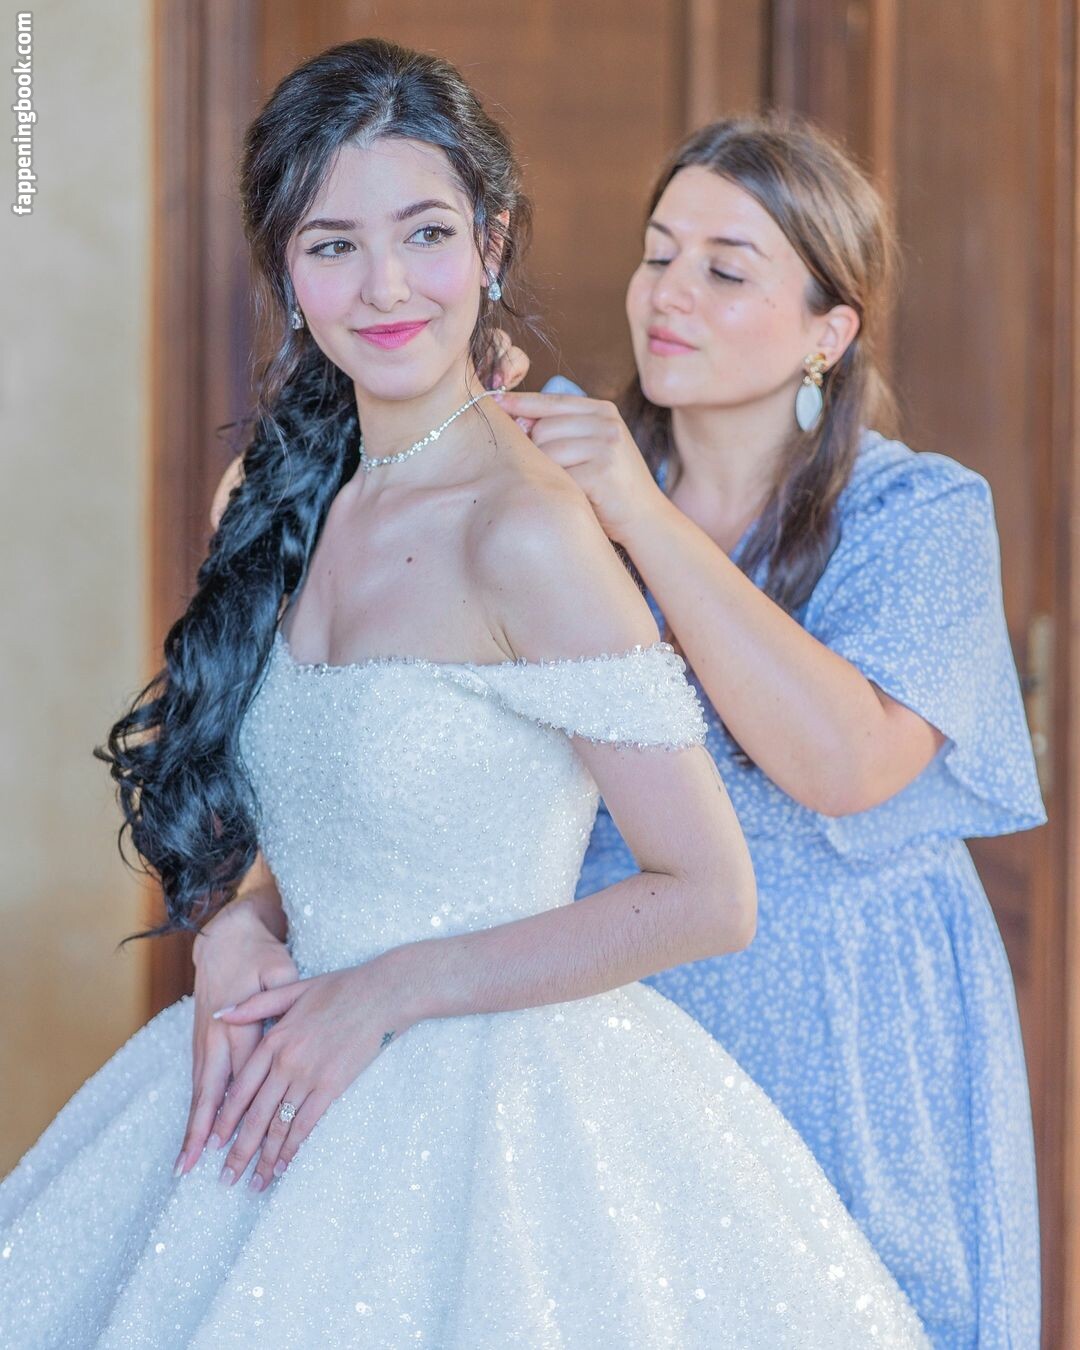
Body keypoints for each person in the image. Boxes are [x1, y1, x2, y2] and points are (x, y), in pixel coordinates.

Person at [0, 43, 928, 1347]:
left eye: (426, 233)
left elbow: (709, 893)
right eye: (333, 245)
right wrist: (236, 924)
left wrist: (387, 991)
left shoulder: (529, 532)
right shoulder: (261, 500)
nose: (386, 286)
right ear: (284, 271)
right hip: (275, 1073)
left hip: (497, 1111)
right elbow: (322, 818)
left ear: (490, 242)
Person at [492, 116, 1046, 1349]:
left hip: (854, 1021)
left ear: (827, 332)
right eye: (658, 254)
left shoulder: (919, 512)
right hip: (620, 984)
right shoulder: (556, 476)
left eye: (725, 270)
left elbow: (844, 765)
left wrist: (643, 515)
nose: (668, 294)